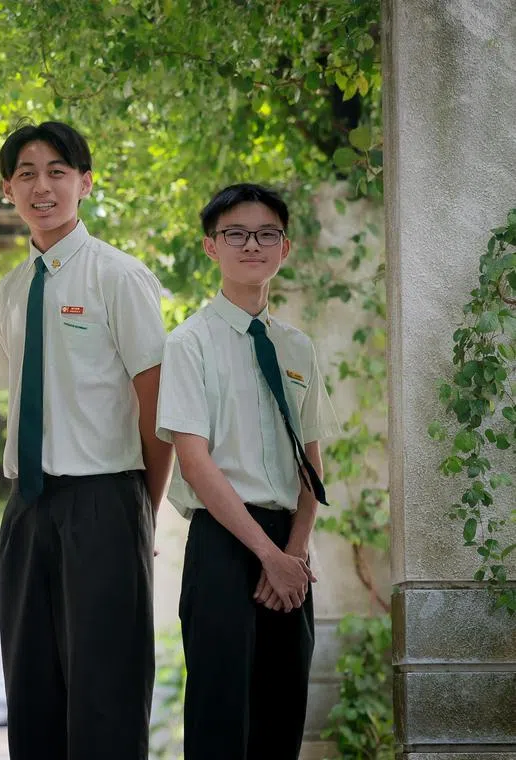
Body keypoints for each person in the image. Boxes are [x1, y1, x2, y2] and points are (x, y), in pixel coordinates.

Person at [0, 120, 173, 759]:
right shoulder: (8, 292)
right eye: (27, 175)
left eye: (57, 172)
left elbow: (158, 411)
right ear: (8, 189)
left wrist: (140, 514)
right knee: (31, 686)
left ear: (85, 183)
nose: (42, 187)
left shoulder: (119, 277)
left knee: (107, 691)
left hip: (106, 501)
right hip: (27, 508)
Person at [156, 183, 340, 759]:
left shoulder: (298, 346)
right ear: (212, 248)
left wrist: (295, 551)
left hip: (290, 546)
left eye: (266, 234)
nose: (251, 245)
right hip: (224, 543)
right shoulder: (190, 343)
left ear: (284, 249)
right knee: (220, 716)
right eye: (235, 233)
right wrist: (267, 556)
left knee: (282, 715)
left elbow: (312, 459)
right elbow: (194, 459)